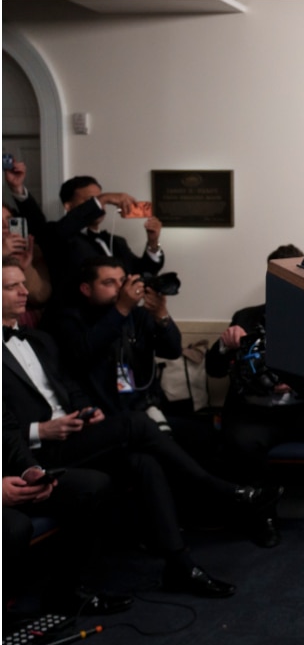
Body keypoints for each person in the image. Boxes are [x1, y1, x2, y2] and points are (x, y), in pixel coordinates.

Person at [2, 256, 261, 597]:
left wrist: (84, 408)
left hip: (77, 432)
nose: (25, 292)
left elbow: (69, 384)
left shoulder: (37, 340)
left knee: (146, 462)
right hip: (36, 449)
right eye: (12, 286)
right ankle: (217, 488)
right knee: (136, 426)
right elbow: (78, 358)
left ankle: (180, 566)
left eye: (23, 283)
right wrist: (40, 430)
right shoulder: (65, 321)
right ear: (86, 288)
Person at [206, 244, 304, 548]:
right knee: (239, 444)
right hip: (255, 412)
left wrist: (299, 383)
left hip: (302, 410)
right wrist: (225, 346)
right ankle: (263, 518)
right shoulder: (246, 318)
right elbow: (214, 369)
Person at [3, 438, 133, 616]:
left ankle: (63, 596)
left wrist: (30, 470)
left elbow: (8, 432)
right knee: (15, 528)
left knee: (92, 486)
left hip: (9, 477)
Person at [43, 256, 181, 424]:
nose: (120, 288)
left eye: (123, 281)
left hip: (145, 406)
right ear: (87, 289)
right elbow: (83, 352)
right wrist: (121, 308)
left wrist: (161, 315)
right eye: (109, 282)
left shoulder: (137, 316)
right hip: (104, 414)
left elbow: (173, 350)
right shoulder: (70, 320)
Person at [57, 175, 163, 299]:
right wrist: (104, 198)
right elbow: (61, 231)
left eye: (100, 201)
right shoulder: (61, 236)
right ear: (68, 206)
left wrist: (153, 242)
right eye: (91, 201)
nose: (101, 206)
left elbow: (143, 271)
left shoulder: (118, 242)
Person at [3, 204, 52, 326]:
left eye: (9, 220)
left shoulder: (31, 251)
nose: (4, 226)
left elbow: (40, 296)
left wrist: (23, 268)